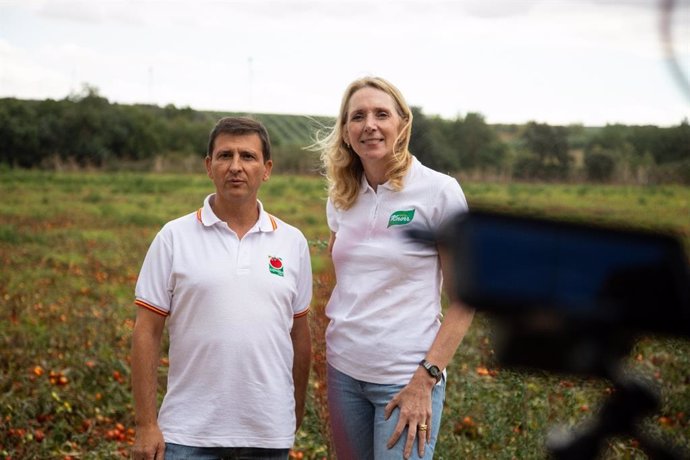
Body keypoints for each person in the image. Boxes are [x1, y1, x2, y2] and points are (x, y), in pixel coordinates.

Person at [130, 116, 312, 460]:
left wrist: (293, 413)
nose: (236, 167)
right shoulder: (173, 237)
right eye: (225, 155)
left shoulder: (292, 242)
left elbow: (299, 336)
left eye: (248, 156)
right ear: (208, 166)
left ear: (267, 168)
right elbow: (146, 332)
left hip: (267, 435)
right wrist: (145, 424)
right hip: (188, 433)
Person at [316, 76, 475, 460]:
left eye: (381, 114)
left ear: (402, 124)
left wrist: (426, 378)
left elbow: (465, 300)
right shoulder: (341, 196)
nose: (369, 124)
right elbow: (346, 278)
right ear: (346, 131)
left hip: (406, 378)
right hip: (344, 374)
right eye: (357, 116)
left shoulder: (439, 192)